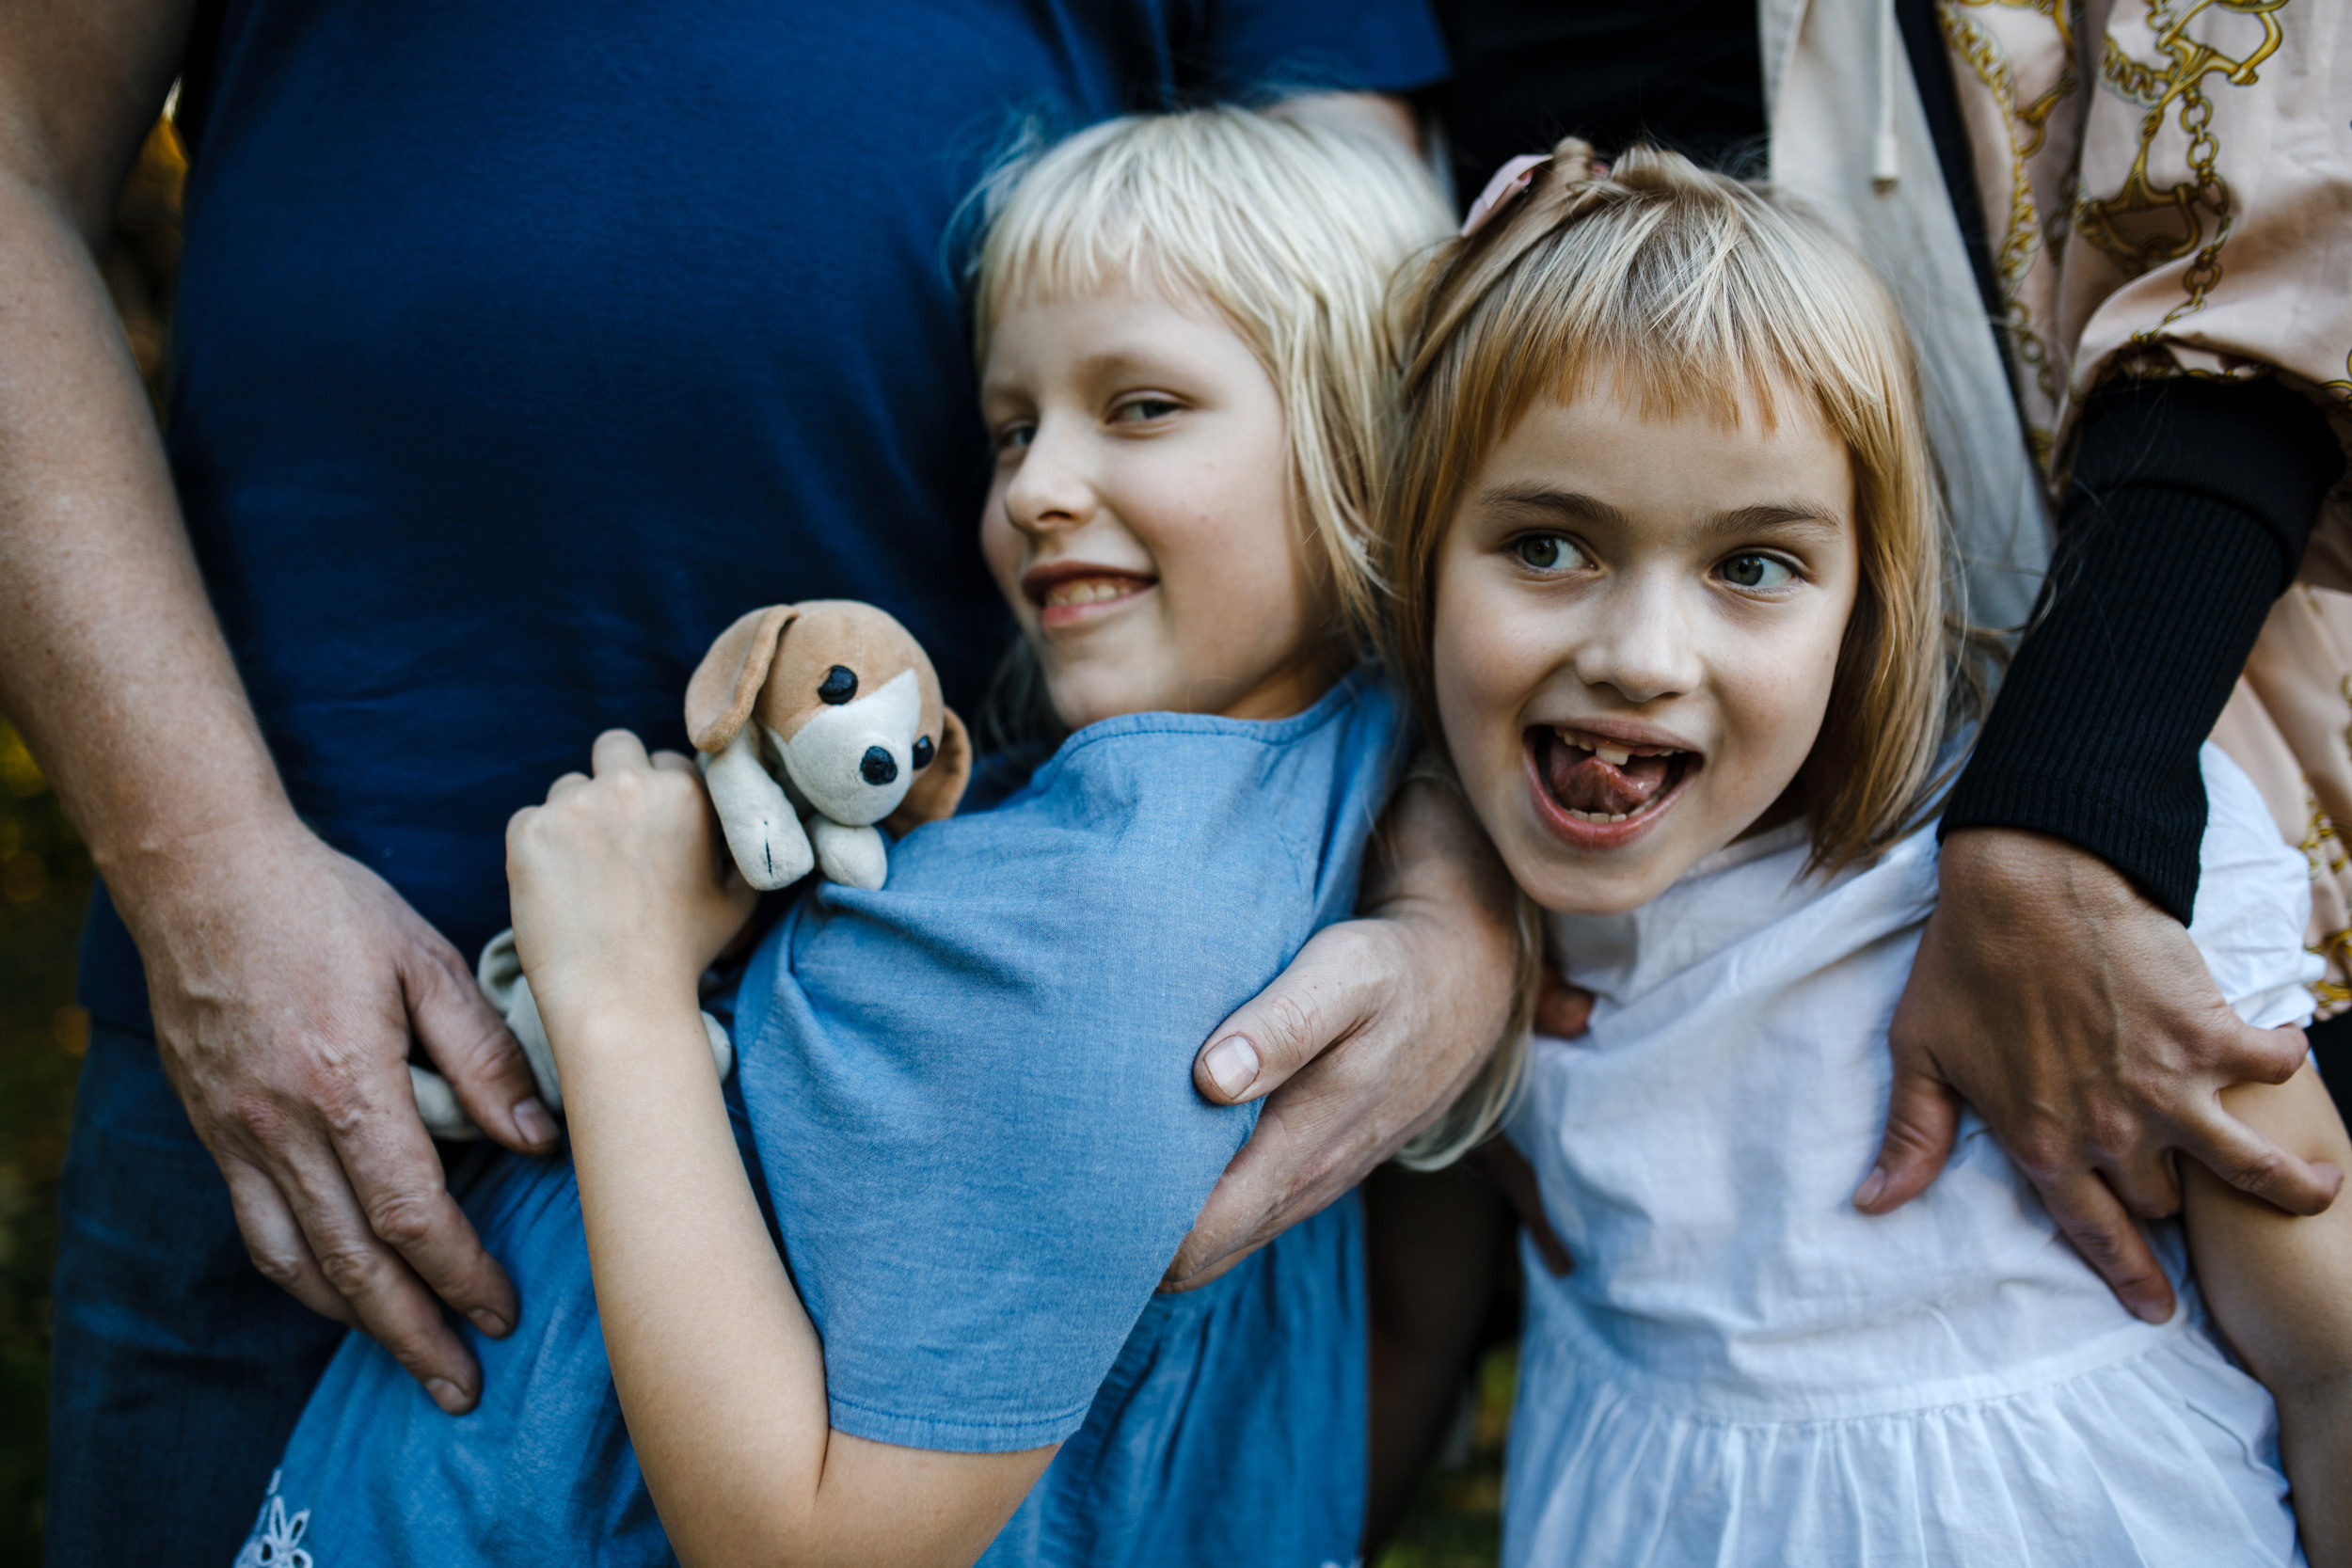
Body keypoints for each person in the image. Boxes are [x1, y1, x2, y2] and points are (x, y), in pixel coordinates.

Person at [0, 8, 1530, 1563]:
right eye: (1005, 429)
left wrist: (623, 1005)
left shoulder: (1102, 943)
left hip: (708, 1076)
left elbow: (817, 1543)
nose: (1035, 488)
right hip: (303, 1034)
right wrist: (206, 873)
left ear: (1363, 445)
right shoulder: (1126, 868)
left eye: (1140, 408)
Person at [1384, 143, 2352, 1565]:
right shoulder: (1476, 916)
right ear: (1415, 556)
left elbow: (2334, 1364)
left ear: (1867, 601)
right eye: (1547, 545)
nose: (1640, 657)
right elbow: (1410, 1330)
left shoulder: (2090, 910)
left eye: (1753, 567)